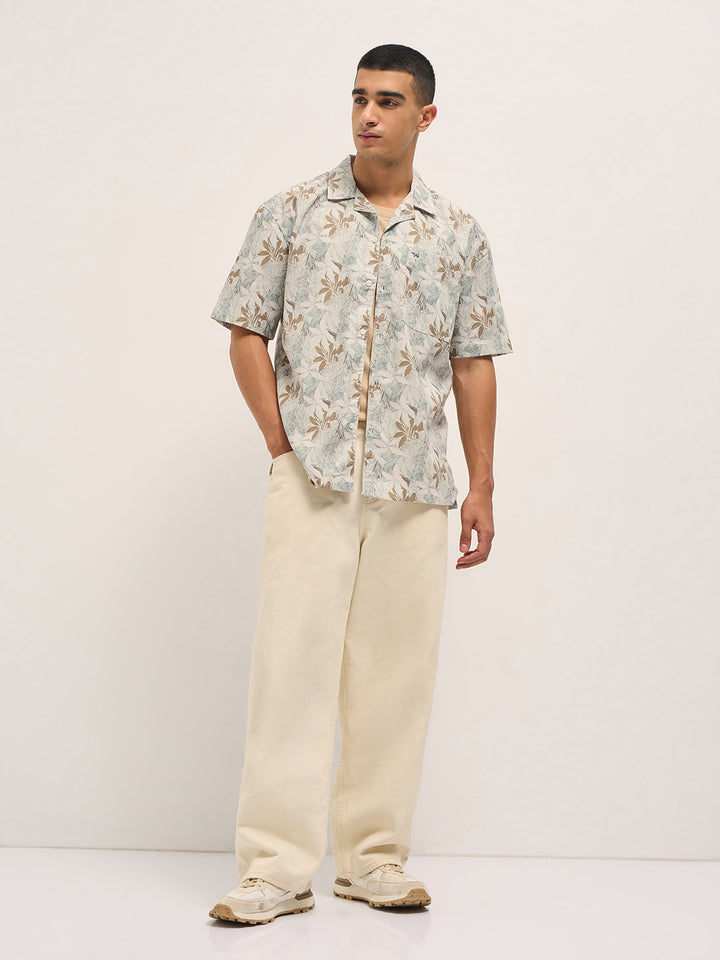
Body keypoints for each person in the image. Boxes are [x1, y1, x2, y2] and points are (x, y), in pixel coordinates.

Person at [207, 43, 513, 925]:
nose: (367, 115)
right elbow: (246, 330)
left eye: (387, 101)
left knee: (395, 678)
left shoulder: (458, 234)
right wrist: (281, 443)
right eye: (358, 98)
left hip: (416, 486)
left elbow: (474, 361)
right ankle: (275, 869)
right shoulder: (293, 212)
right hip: (314, 478)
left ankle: (374, 860)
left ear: (425, 116)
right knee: (290, 668)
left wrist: (482, 484)